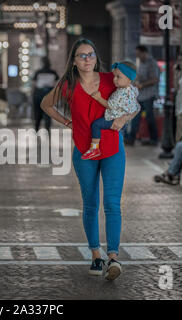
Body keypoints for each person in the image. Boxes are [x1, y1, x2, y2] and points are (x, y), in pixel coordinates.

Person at [40, 38, 139, 281]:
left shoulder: (110, 79)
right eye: (82, 55)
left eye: (91, 54)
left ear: (96, 58)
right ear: (74, 61)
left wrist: (124, 119)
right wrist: (67, 121)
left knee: (113, 204)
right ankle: (96, 253)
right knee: (91, 203)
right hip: (84, 152)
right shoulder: (68, 85)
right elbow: (46, 104)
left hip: (113, 149)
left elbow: (134, 103)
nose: (87, 59)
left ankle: (113, 257)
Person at [82, 61, 141, 159]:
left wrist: (98, 98)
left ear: (129, 80)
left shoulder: (120, 93)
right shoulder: (132, 89)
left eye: (118, 77)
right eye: (114, 76)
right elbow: (136, 104)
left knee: (96, 125)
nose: (114, 80)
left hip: (114, 119)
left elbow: (110, 105)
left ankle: (94, 148)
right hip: (123, 121)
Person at [124, 45, 160, 146]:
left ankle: (154, 139)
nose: (138, 56)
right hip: (140, 95)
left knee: (149, 117)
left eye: (139, 54)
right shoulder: (141, 63)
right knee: (135, 117)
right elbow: (139, 76)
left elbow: (155, 79)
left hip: (149, 95)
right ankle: (131, 138)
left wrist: (142, 85)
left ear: (144, 52)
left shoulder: (152, 63)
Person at [32, 57, 59, 132]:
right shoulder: (53, 72)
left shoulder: (38, 72)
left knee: (37, 113)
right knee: (48, 113)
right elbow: (56, 84)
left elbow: (34, 84)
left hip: (38, 94)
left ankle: (37, 129)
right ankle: (47, 129)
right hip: (49, 94)